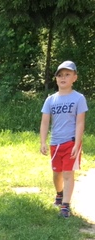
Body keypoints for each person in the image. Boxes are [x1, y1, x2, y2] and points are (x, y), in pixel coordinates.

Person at [40, 61, 88, 218]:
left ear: (74, 77)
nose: (63, 78)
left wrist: (77, 143)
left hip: (71, 142)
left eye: (67, 74)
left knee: (68, 174)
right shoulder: (50, 100)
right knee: (57, 174)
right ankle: (59, 194)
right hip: (55, 143)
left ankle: (65, 206)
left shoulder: (79, 98)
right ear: (56, 79)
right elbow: (45, 122)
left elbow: (80, 122)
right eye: (60, 75)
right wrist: (43, 142)